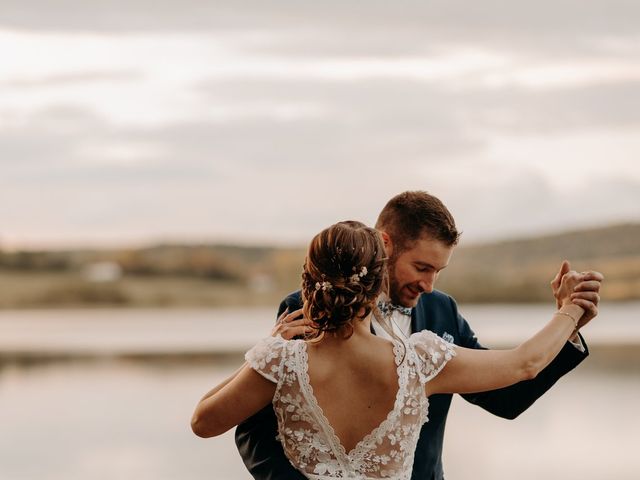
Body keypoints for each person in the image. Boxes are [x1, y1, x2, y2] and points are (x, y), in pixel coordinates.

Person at [232, 191, 603, 480]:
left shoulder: (443, 311)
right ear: (385, 243)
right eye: (421, 267)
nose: (428, 285)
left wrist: (565, 327)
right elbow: (254, 429)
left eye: (438, 271)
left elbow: (504, 398)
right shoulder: (308, 307)